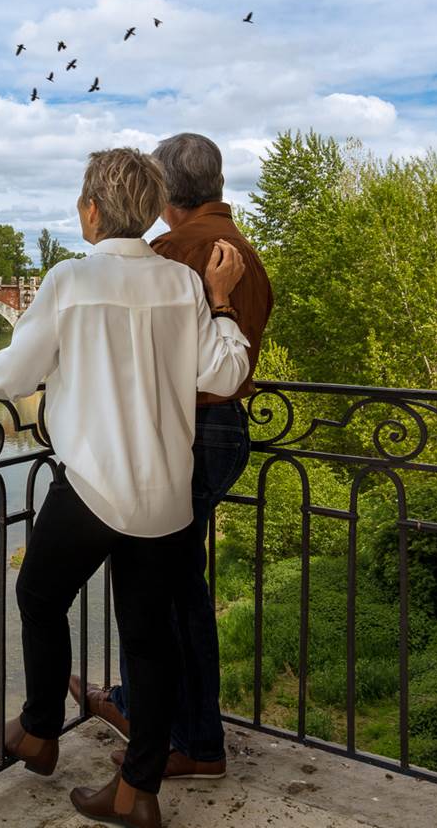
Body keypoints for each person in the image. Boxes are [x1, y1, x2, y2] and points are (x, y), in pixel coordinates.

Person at [0, 147, 251, 828]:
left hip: (95, 485)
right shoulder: (182, 285)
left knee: (38, 597)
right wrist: (219, 303)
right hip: (166, 493)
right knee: (150, 638)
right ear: (152, 210)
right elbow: (223, 376)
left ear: (92, 209)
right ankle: (138, 790)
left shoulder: (70, 279)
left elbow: (12, 376)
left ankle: (38, 732)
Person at [70, 132, 274, 780]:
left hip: (183, 431)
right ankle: (161, 717)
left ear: (164, 193)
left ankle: (181, 737)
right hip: (222, 426)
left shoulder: (170, 254)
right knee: (176, 586)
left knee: (158, 593)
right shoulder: (243, 251)